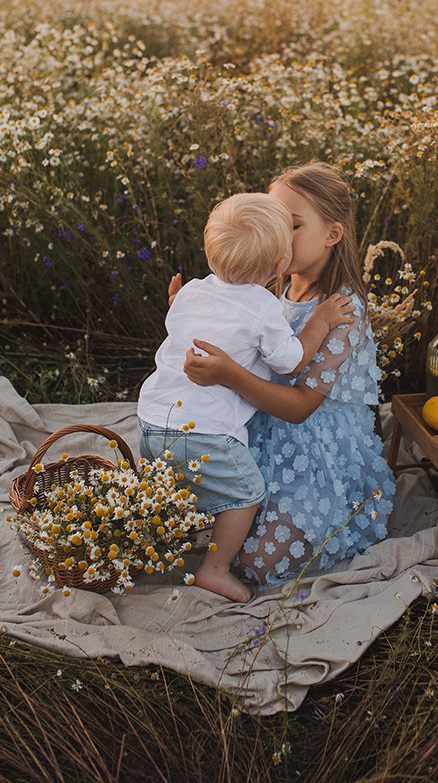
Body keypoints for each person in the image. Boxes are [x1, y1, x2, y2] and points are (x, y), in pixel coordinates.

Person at [184, 163, 396, 587]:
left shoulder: (343, 312)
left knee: (257, 564)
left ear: (332, 234)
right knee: (198, 527)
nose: (277, 237)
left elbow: (300, 407)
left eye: (293, 225)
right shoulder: (273, 283)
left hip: (313, 451)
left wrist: (228, 375)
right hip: (256, 426)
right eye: (273, 222)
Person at [138, 192, 353, 603]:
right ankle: (214, 570)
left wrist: (177, 302)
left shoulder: (193, 291)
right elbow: (291, 361)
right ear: (279, 265)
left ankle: (152, 544)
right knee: (246, 494)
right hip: (204, 431)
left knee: (172, 486)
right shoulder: (262, 306)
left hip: (152, 418)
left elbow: (182, 324)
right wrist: (322, 320)